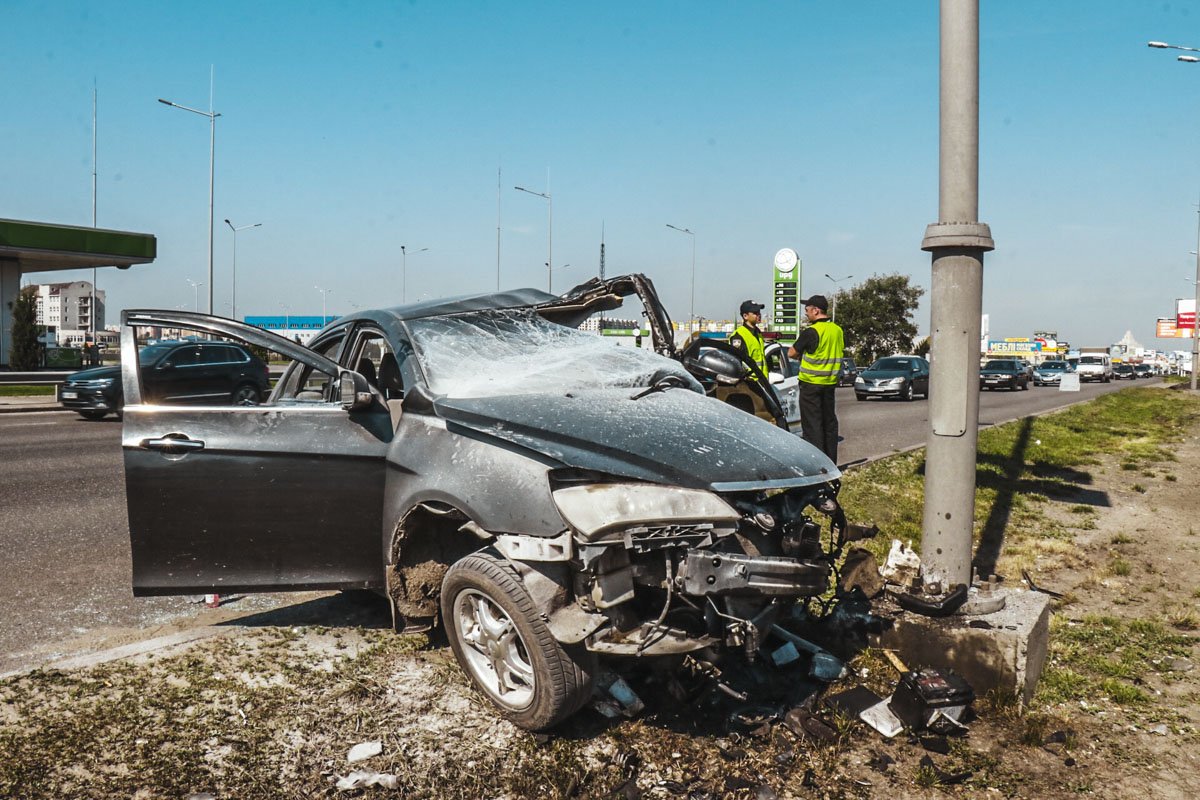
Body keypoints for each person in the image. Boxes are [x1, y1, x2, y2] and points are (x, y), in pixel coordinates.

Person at [788, 295, 845, 462]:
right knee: (829, 424)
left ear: (816, 310)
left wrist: (802, 354)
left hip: (811, 385)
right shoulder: (837, 330)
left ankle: (817, 465)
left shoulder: (812, 331)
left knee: (813, 427)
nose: (806, 313)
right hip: (829, 384)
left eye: (807, 310)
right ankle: (831, 462)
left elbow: (791, 352)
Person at [729, 300, 767, 379]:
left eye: (759, 312)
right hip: (749, 384)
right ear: (745, 316)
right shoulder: (738, 336)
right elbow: (737, 363)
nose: (759, 315)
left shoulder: (758, 334)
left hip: (762, 383)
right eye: (755, 313)